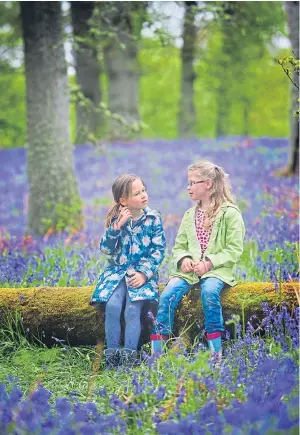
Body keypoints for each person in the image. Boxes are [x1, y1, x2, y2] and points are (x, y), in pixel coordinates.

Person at [151, 161, 245, 362]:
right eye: (188, 183)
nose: (188, 187)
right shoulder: (189, 215)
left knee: (210, 293)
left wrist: (209, 263)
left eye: (193, 183)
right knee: (167, 295)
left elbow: (234, 249)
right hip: (189, 271)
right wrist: (184, 259)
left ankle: (215, 353)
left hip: (217, 270)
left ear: (208, 184)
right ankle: (157, 353)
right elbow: (180, 246)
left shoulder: (230, 214)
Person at [90, 174, 166, 368]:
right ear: (123, 200)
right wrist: (117, 226)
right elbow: (106, 249)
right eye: (137, 193)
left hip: (140, 275)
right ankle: (112, 359)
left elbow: (158, 251)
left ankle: (129, 359)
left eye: (144, 190)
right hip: (117, 273)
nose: (143, 195)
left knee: (132, 310)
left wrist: (144, 274)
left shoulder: (152, 218)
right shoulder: (117, 219)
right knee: (113, 307)